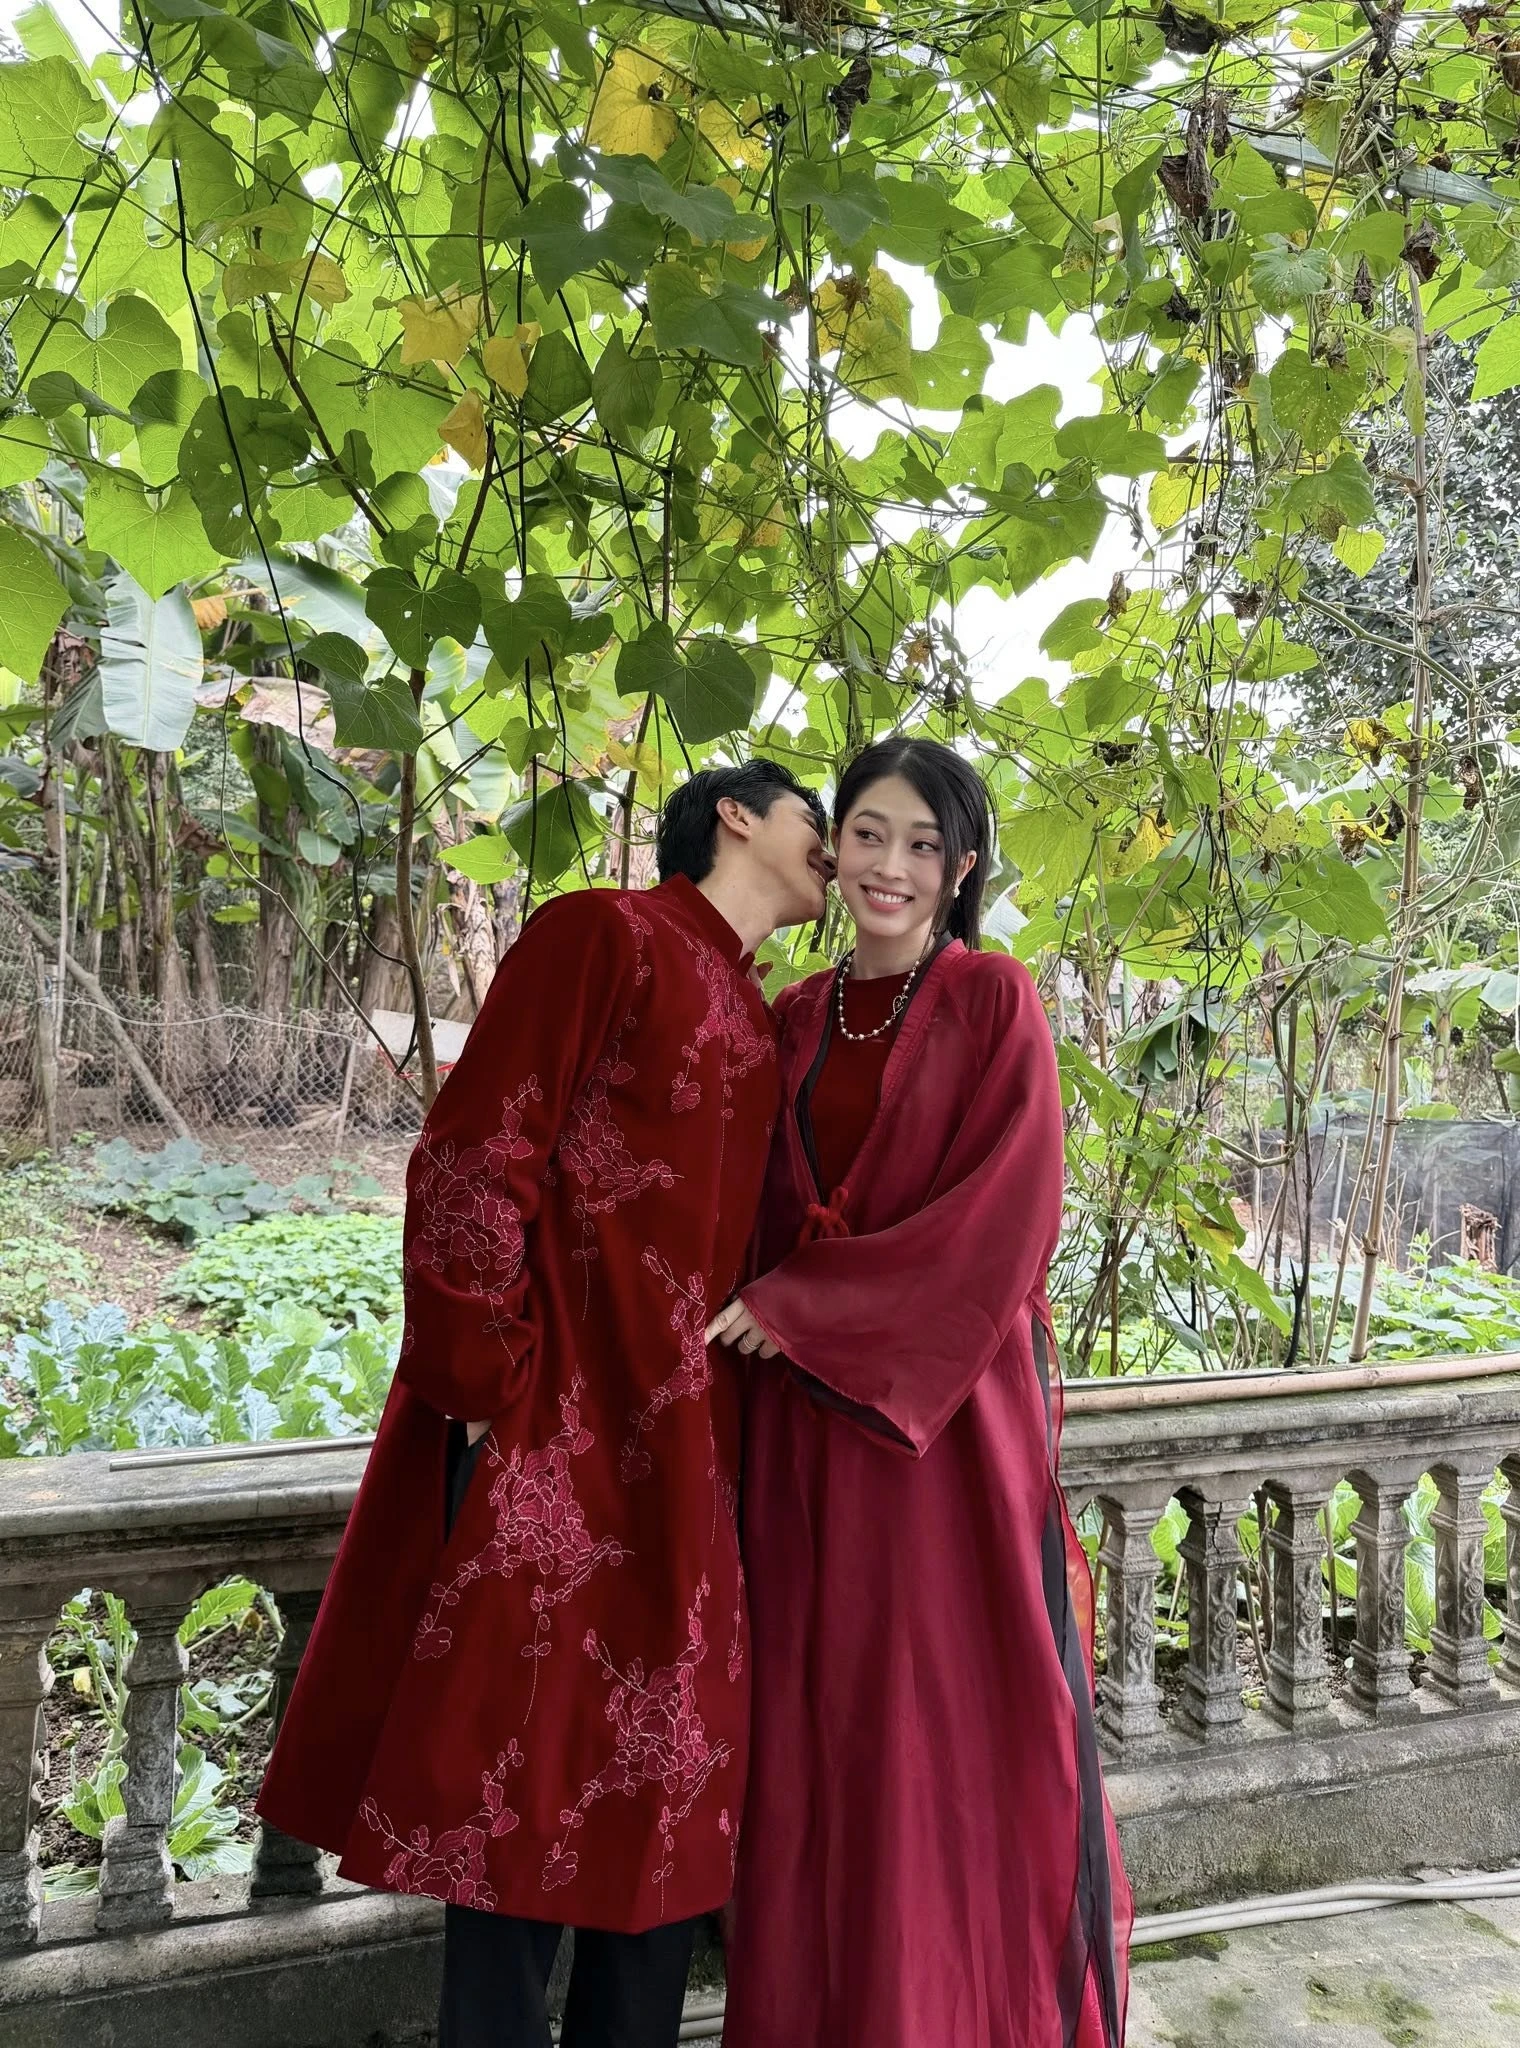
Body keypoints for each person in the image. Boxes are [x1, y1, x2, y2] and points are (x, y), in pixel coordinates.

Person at [256, 760, 831, 2048]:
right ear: (736, 815)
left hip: (687, 1454)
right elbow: (474, 1153)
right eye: (816, 818)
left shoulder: (757, 1012)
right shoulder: (604, 934)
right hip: (553, 1439)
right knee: (513, 1781)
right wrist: (486, 1393)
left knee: (661, 1786)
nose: (833, 848)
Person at [708, 736, 1132, 2048]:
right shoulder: (790, 1018)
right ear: (833, 847)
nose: (891, 866)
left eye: (923, 845)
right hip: (801, 1441)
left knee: (946, 1729)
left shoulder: (994, 1002)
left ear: (960, 869)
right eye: (869, 834)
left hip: (942, 1435)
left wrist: (810, 1308)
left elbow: (1006, 1218)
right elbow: (737, 1215)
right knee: (822, 1733)